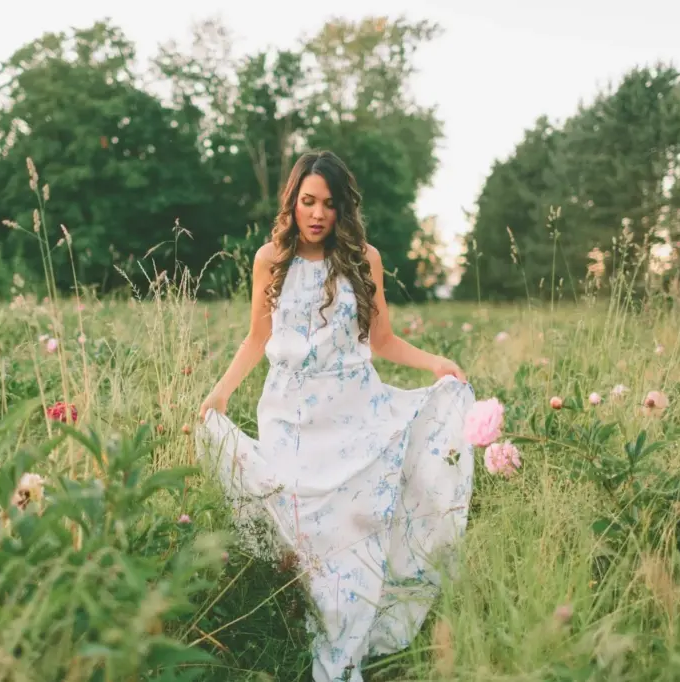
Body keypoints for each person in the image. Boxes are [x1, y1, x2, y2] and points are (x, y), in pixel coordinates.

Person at [195, 150, 475, 682]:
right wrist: (219, 394)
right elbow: (258, 336)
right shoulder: (268, 260)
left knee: (352, 533)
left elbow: (382, 339)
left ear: (342, 208)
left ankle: (349, 643)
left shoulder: (362, 258)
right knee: (308, 534)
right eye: (307, 202)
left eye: (328, 204)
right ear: (292, 202)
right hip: (291, 418)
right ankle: (317, 623)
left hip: (352, 416)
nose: (317, 214)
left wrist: (435, 362)